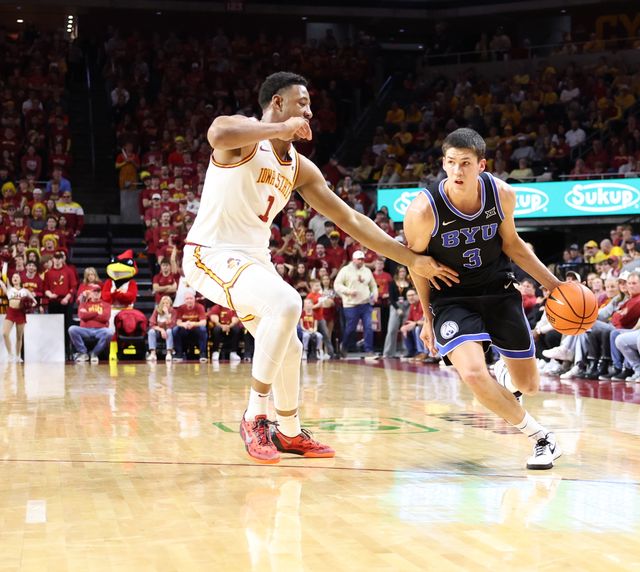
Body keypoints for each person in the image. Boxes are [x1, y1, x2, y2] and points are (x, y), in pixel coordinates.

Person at [182, 72, 457, 464]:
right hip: (210, 253)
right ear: (277, 103)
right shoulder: (243, 139)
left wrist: (410, 258)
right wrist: (278, 127)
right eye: (302, 103)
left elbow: (352, 220)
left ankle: (289, 432)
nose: (309, 112)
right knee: (288, 303)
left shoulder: (299, 167)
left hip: (253, 260)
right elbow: (217, 133)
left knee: (289, 346)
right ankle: (255, 414)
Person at [403, 127, 563, 470]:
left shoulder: (501, 194)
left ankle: (506, 379)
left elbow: (513, 245)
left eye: (465, 163)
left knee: (529, 386)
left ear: (482, 165)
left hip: (498, 290)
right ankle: (541, 438)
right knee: (474, 374)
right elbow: (416, 266)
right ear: (443, 164)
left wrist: (554, 285)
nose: (457, 171)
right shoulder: (422, 211)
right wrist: (427, 319)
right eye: (450, 163)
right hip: (452, 299)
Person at [334, 250, 378, 357]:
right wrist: (348, 291)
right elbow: (337, 285)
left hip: (365, 303)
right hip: (351, 305)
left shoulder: (367, 271)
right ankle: (344, 346)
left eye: (362, 259)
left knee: (368, 326)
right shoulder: (345, 270)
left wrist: (375, 294)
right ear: (353, 260)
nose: (361, 261)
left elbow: (373, 285)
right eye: (359, 259)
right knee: (351, 328)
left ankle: (369, 350)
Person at [68, 283, 113, 364]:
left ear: (100, 293)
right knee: (72, 329)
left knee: (109, 332)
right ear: (90, 293)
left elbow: (105, 318)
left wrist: (88, 314)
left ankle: (94, 353)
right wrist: (96, 313)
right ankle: (83, 353)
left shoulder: (106, 305)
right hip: (85, 329)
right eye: (94, 291)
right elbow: (82, 316)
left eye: (98, 292)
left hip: (100, 330)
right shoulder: (83, 304)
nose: (96, 294)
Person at [2, 272, 37, 362]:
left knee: (19, 336)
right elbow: (2, 279)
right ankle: (10, 354)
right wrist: (5, 263)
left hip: (20, 313)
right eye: (13, 277)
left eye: (17, 277)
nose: (15, 278)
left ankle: (17, 356)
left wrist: (30, 306)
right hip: (11, 312)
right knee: (5, 334)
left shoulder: (25, 291)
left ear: (20, 280)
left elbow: (34, 302)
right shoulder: (9, 289)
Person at [172, 291, 208, 362]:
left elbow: (203, 322)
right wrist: (184, 324)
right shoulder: (181, 308)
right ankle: (179, 354)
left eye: (191, 298)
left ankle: (203, 354)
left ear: (194, 299)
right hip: (185, 329)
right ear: (184, 300)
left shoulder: (200, 307)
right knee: (175, 330)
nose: (189, 300)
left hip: (196, 329)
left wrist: (193, 324)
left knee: (203, 329)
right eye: (187, 299)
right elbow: (178, 322)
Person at [147, 295, 177, 362]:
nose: (165, 305)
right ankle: (153, 353)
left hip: (168, 331)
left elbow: (172, 325)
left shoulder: (173, 311)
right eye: (163, 303)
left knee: (169, 331)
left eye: (167, 303)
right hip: (158, 331)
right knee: (151, 331)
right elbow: (152, 324)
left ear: (170, 304)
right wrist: (161, 330)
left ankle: (169, 353)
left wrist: (166, 314)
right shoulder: (157, 310)